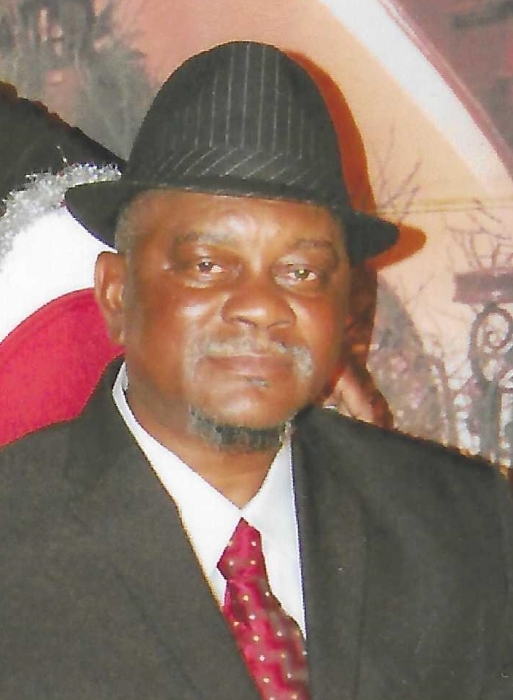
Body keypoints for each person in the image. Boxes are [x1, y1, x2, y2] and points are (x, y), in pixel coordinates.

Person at [1, 40, 512, 700]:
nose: (262, 306)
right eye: (207, 265)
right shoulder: (15, 544)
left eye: (301, 272)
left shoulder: (463, 526)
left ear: (346, 307)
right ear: (117, 294)